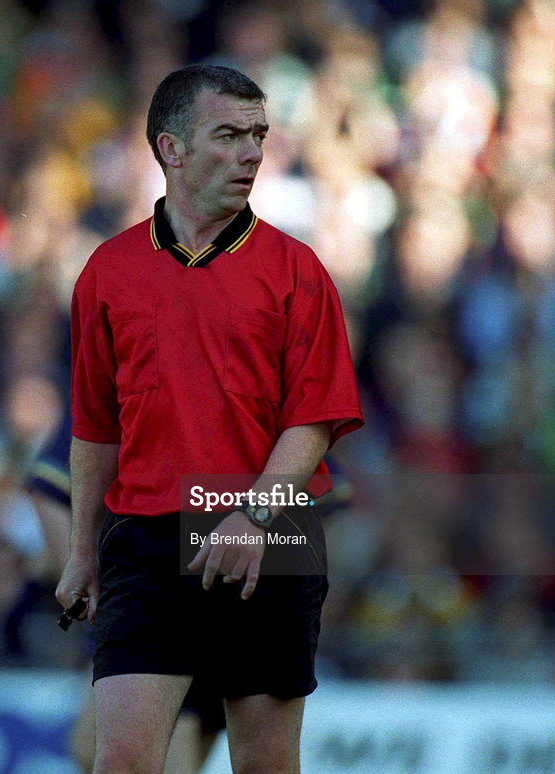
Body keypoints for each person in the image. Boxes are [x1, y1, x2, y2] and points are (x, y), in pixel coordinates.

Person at [55, 64, 363, 774]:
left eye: (258, 135)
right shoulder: (107, 270)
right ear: (172, 148)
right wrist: (80, 548)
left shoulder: (298, 270)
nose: (252, 153)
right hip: (146, 532)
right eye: (229, 135)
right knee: (122, 762)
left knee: (262, 764)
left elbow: (314, 420)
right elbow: (95, 426)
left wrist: (251, 517)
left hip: (272, 524)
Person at [27, 414, 225, 773]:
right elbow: (50, 484)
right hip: (154, 574)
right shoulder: (133, 369)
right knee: (108, 751)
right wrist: (85, 579)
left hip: (221, 579)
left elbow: (309, 496)